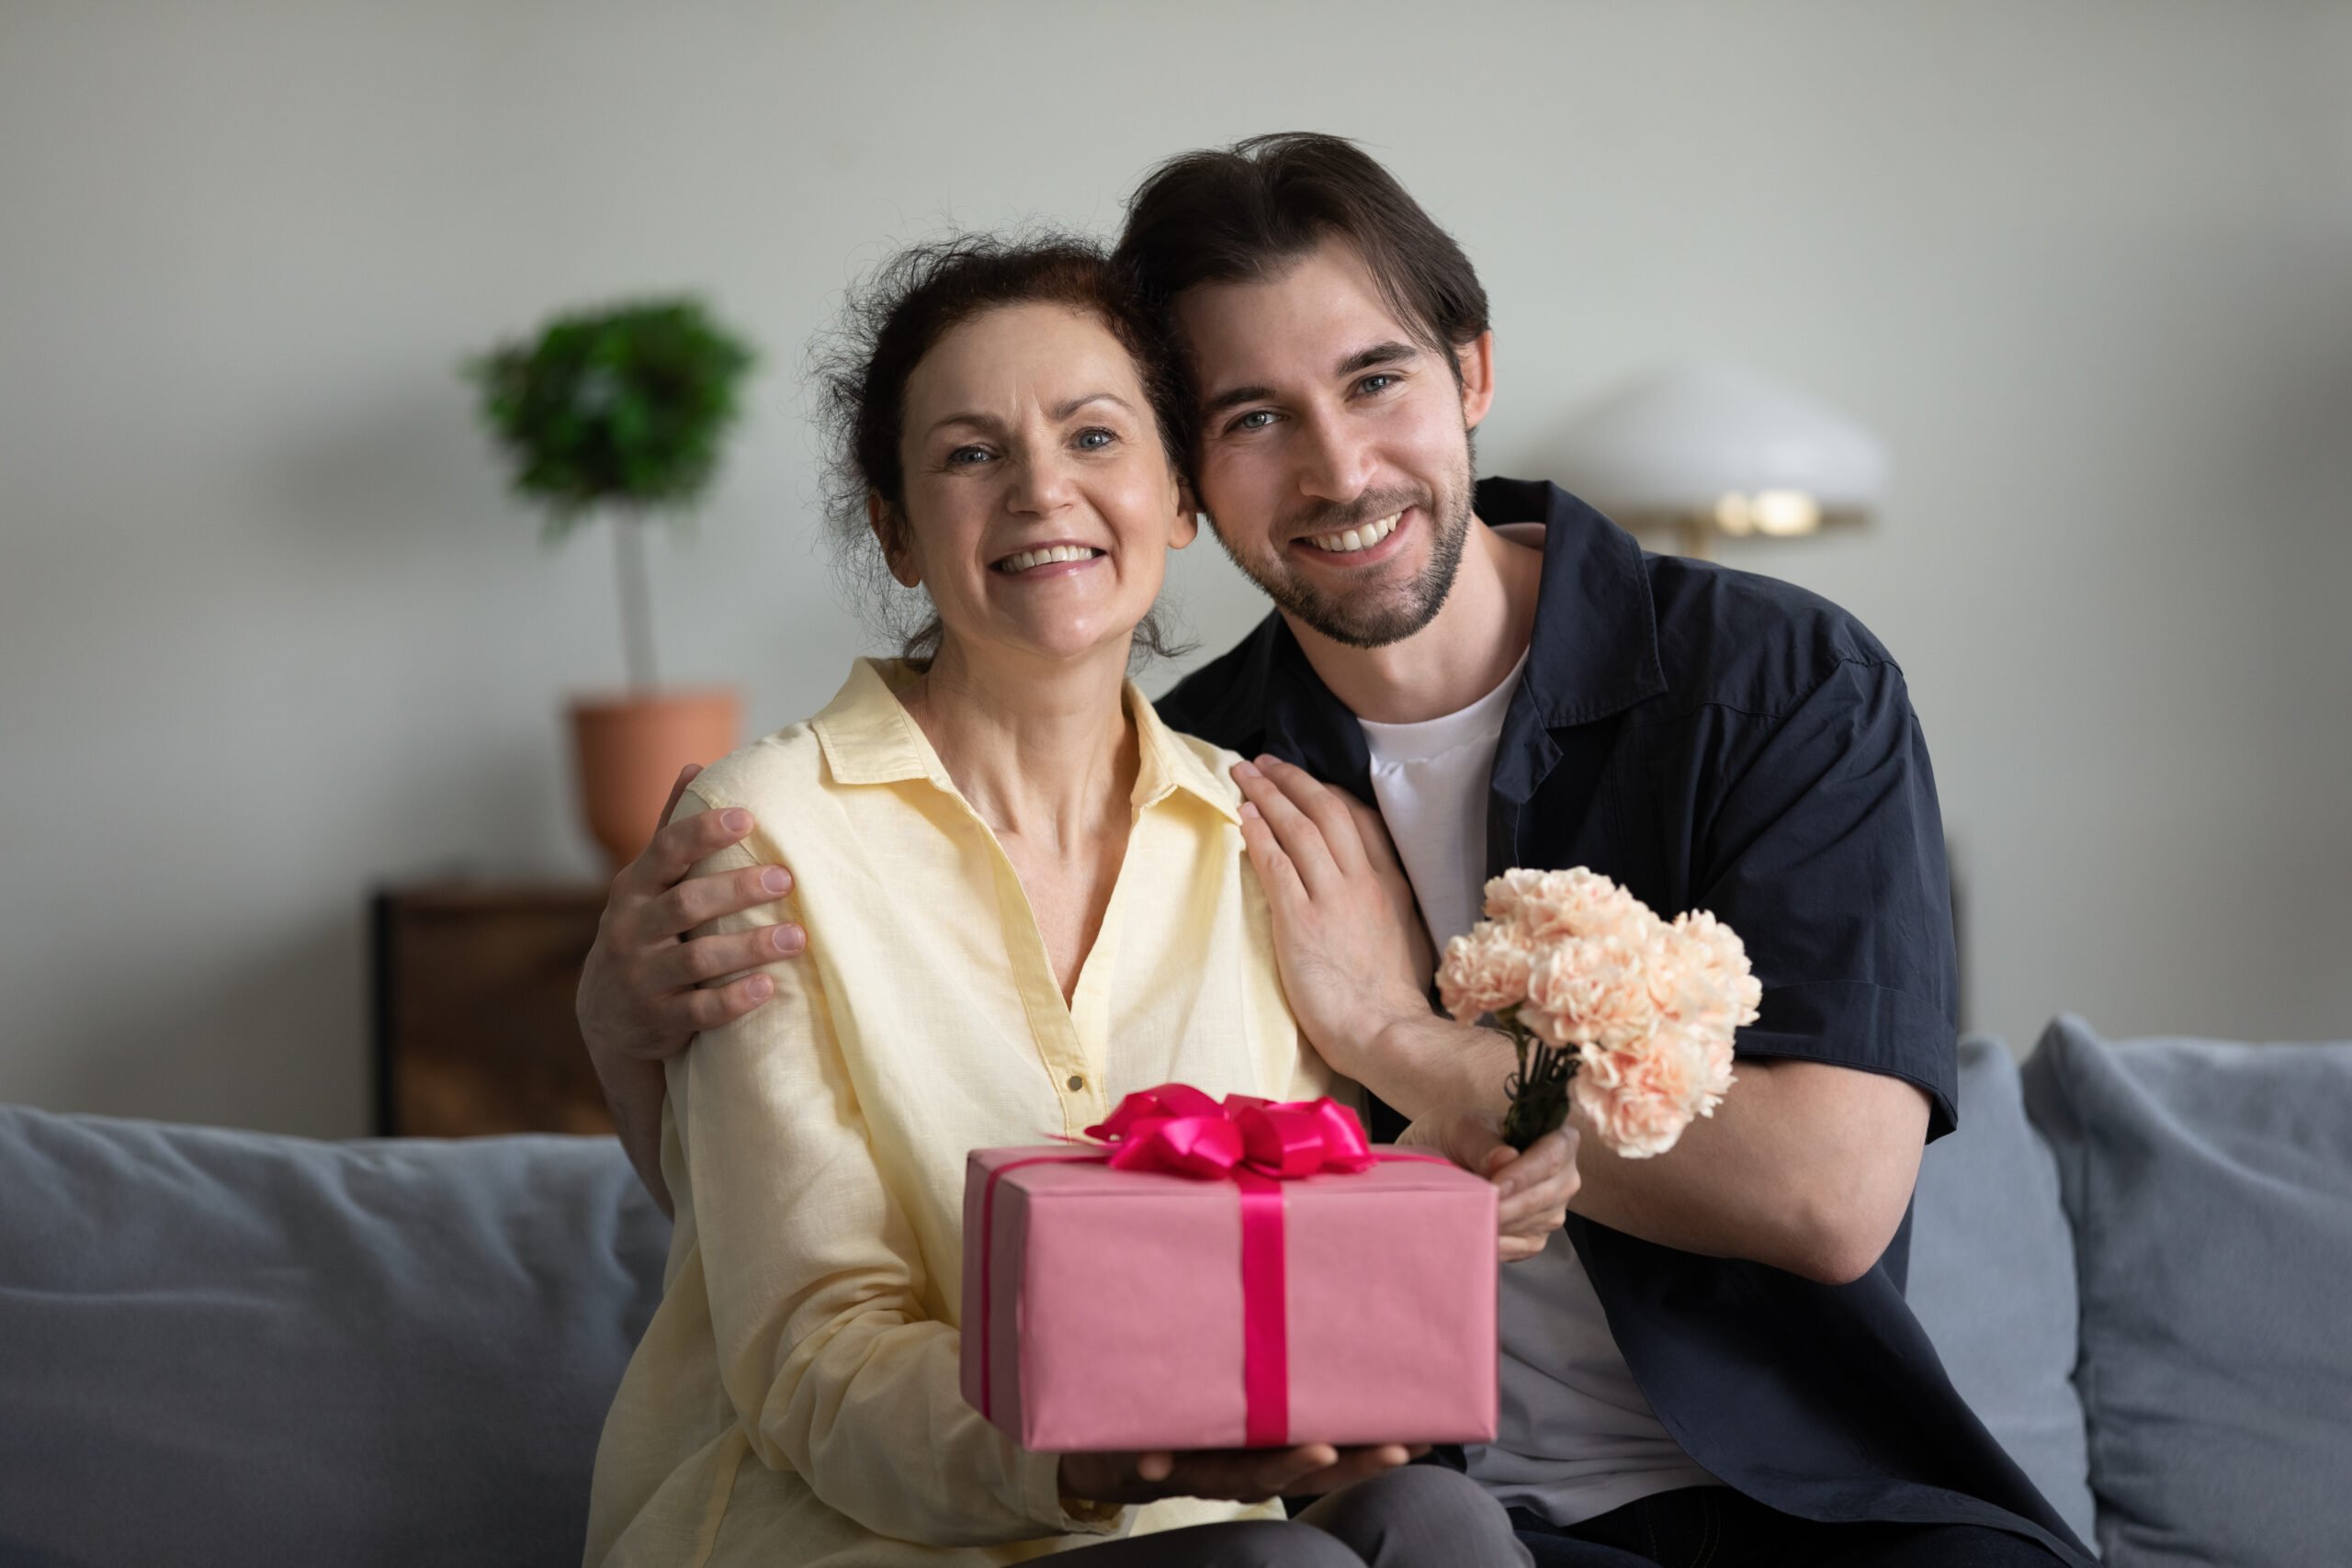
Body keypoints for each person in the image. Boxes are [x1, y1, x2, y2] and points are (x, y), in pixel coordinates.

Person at [582, 138, 2103, 1568]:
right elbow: (828, 1261)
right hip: (1387, 1505)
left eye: (1377, 380)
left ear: (1473, 373)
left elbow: (1832, 1198)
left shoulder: (1768, 687)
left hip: (1800, 1496)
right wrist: (620, 1045)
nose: (1337, 469)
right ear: (1197, 479)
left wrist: (1414, 1053)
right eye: (1253, 417)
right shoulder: (1214, 782)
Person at [581, 234, 1558, 1568]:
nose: (1043, 490)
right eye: (972, 454)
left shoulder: (1263, 836)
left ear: (1178, 498)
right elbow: (811, 1357)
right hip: (838, 1533)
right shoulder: (764, 839)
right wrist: (1069, 1448)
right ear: (898, 531)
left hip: (1201, 1531)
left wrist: (1457, 1195)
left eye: (1096, 437)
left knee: (1441, 1522)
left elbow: (1287, 1263)